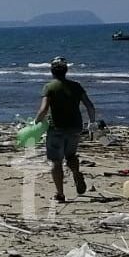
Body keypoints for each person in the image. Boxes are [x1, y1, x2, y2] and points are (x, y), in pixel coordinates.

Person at [34, 57, 97, 203]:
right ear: (66, 70)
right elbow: (90, 106)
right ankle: (76, 173)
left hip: (57, 128)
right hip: (75, 127)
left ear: (52, 71)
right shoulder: (76, 86)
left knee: (56, 161)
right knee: (71, 155)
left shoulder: (49, 87)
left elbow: (43, 109)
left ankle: (60, 194)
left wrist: (35, 122)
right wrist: (92, 122)